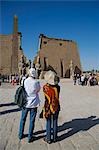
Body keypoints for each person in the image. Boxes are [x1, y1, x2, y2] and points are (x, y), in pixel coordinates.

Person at [18, 68, 41, 143]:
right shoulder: (36, 82)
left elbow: (22, 87)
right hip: (33, 104)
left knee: (22, 119)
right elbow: (38, 90)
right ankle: (30, 137)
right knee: (32, 121)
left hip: (25, 103)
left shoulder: (24, 80)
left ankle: (20, 134)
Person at [42, 70, 60, 144]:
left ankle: (48, 138)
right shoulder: (58, 87)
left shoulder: (45, 87)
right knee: (55, 122)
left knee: (48, 122)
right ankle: (55, 138)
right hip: (56, 106)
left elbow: (46, 97)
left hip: (48, 107)